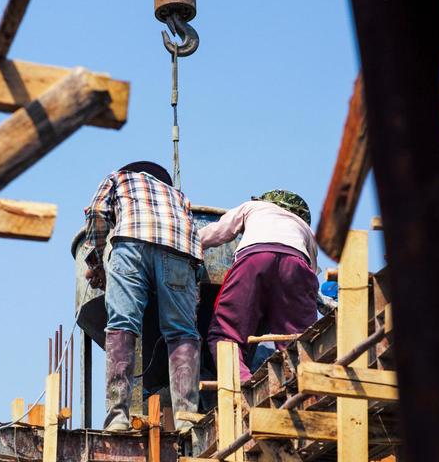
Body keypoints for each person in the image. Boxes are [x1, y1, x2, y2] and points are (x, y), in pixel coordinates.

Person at [84, 161, 202, 432]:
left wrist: (98, 260)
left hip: (130, 243)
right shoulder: (179, 196)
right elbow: (193, 231)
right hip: (178, 250)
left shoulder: (119, 177)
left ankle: (117, 417)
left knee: (122, 324)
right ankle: (185, 419)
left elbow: (97, 212)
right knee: (182, 331)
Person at [199, 190, 318, 384]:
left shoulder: (253, 207)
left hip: (254, 259)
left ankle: (242, 385)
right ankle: (304, 384)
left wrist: (188, 242)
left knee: (226, 335)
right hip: (296, 266)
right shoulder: (305, 229)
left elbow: (217, 233)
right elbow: (310, 276)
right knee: (298, 339)